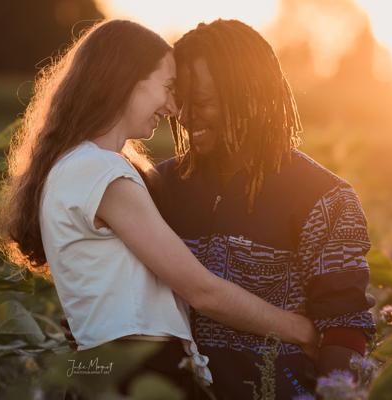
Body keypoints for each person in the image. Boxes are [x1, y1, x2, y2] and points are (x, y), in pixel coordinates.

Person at [0, 19, 319, 399]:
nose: (174, 107)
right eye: (166, 87)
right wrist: (301, 330)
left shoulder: (73, 166)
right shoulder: (101, 171)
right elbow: (201, 290)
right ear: (125, 80)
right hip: (137, 363)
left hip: (99, 364)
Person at [150, 19, 377, 399]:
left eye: (202, 103)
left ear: (249, 98)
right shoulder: (156, 188)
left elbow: (344, 328)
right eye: (181, 102)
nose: (185, 118)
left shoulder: (325, 198)